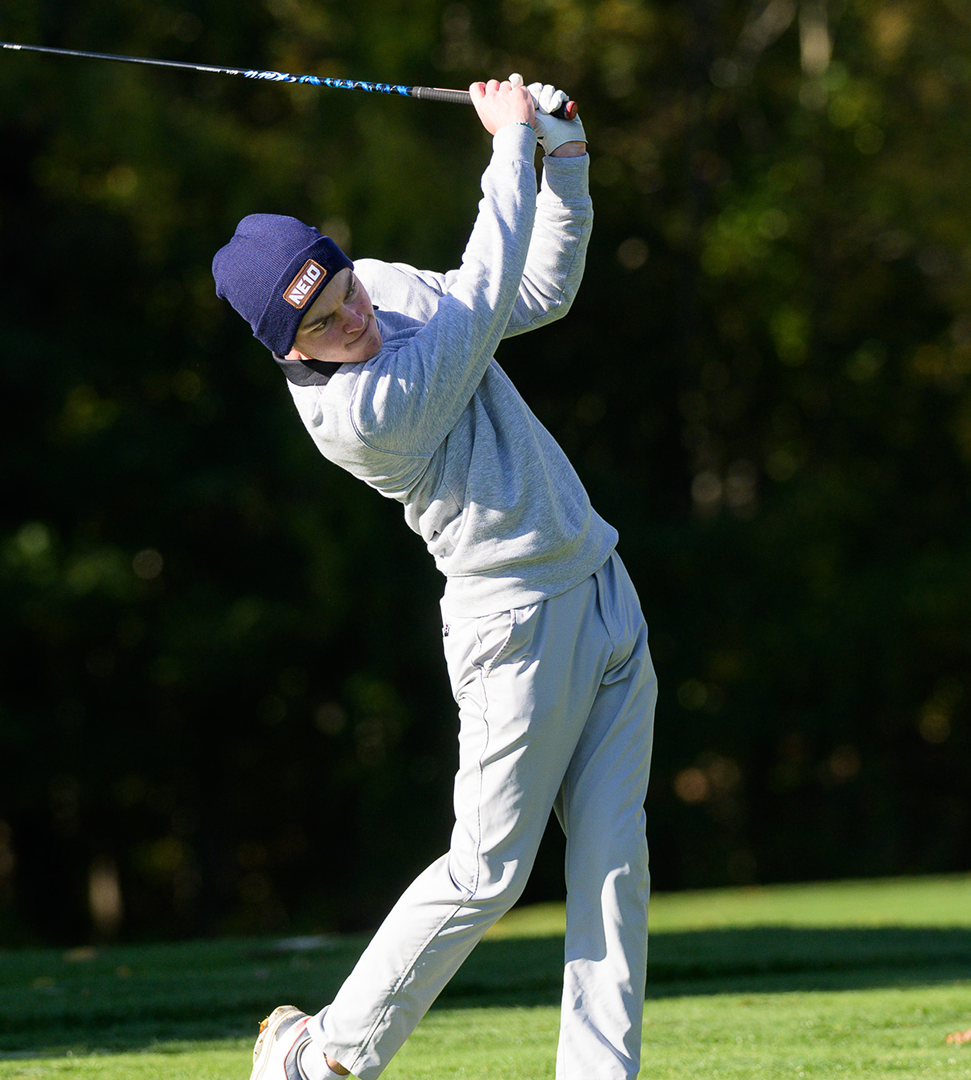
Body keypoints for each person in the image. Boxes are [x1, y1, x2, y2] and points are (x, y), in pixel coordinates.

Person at [211, 76, 656, 1080]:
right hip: (514, 628)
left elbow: (529, 293)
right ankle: (321, 1055)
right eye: (325, 324)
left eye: (347, 292)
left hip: (599, 583)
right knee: (487, 871)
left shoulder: (377, 287)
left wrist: (565, 164)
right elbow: (479, 304)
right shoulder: (358, 414)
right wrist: (507, 146)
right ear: (290, 351)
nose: (355, 319)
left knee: (613, 866)